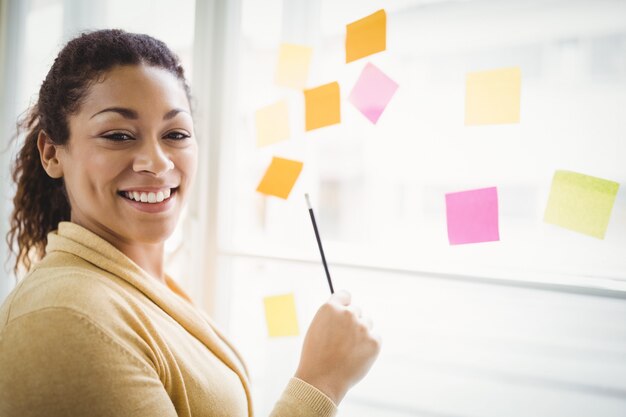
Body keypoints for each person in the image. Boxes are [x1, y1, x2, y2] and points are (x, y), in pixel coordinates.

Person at [0, 29, 380, 416]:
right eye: (118, 135)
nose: (158, 161)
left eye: (175, 134)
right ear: (51, 153)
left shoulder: (143, 287)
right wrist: (321, 382)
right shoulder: (65, 319)